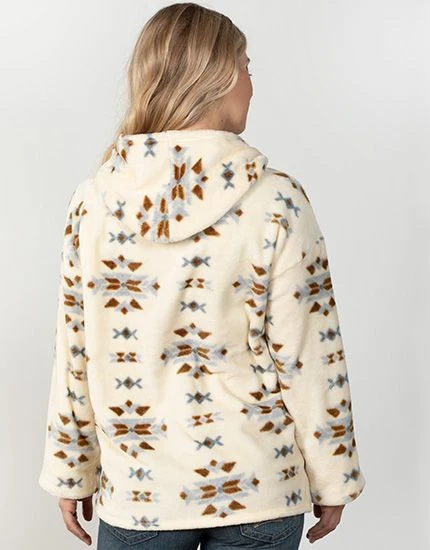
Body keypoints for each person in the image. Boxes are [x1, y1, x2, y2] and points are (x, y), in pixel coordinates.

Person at [37, 3, 366, 549]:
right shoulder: (276, 201)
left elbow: (77, 349)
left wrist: (70, 467)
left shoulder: (93, 202)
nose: (252, 86)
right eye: (246, 66)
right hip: (257, 487)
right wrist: (334, 477)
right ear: (216, 77)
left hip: (141, 493)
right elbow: (311, 356)